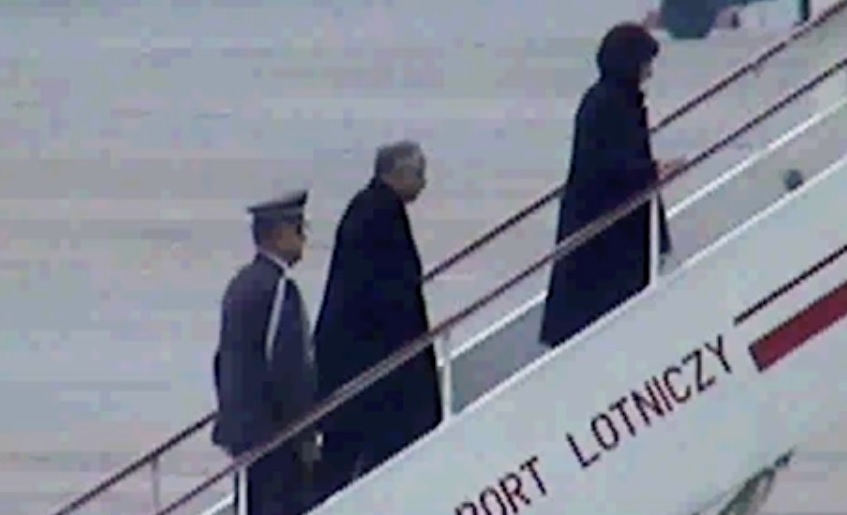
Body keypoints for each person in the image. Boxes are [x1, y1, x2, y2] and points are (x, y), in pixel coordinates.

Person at [539, 23, 685, 348]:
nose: (649, 72)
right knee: (605, 318)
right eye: (646, 63)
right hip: (607, 237)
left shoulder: (609, 100)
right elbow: (606, 167)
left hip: (606, 232)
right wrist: (653, 171)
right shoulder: (610, 104)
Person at [314, 140, 442, 499]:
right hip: (368, 365)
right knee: (355, 453)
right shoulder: (378, 216)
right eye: (419, 174)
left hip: (356, 360)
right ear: (396, 174)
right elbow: (388, 298)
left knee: (348, 454)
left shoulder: (371, 209)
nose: (424, 183)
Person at [211, 190, 321, 515]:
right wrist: (305, 433)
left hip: (243, 433)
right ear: (278, 235)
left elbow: (223, 360)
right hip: (274, 435)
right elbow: (290, 369)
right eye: (298, 229)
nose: (303, 238)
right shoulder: (280, 289)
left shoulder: (240, 285)